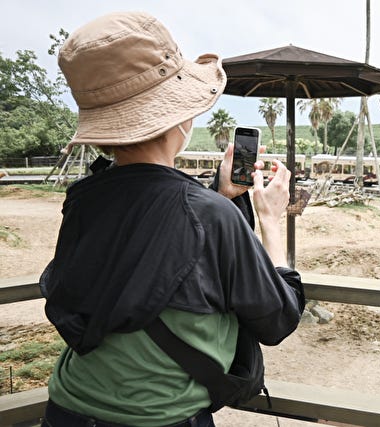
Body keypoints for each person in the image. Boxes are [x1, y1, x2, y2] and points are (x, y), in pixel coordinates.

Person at [38, 11, 305, 427]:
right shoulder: (210, 216)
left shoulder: (83, 200)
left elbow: (146, 248)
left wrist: (219, 195)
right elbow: (278, 320)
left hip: (66, 409)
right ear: (181, 118)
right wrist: (269, 220)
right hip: (162, 419)